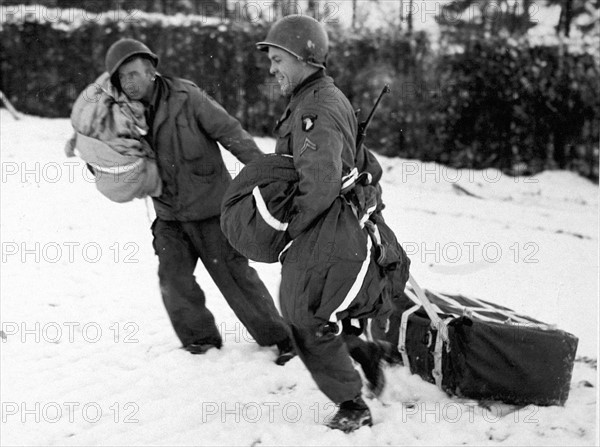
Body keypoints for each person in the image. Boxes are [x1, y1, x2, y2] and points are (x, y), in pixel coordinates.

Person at [255, 16, 410, 432]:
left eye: (276, 59)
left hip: (326, 223)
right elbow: (361, 162)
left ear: (303, 56)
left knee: (303, 314)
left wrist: (291, 230)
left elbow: (319, 183)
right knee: (314, 311)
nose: (271, 68)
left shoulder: (315, 107)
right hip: (335, 220)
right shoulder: (320, 97)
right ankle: (363, 353)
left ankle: (352, 404)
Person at [102, 38, 295, 365]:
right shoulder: (120, 114)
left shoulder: (187, 97)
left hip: (212, 210)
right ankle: (199, 342)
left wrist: (268, 175)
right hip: (169, 215)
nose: (130, 83)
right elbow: (108, 151)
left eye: (135, 74)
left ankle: (283, 340)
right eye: (123, 78)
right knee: (173, 280)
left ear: (151, 71)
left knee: (236, 280)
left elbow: (230, 132)